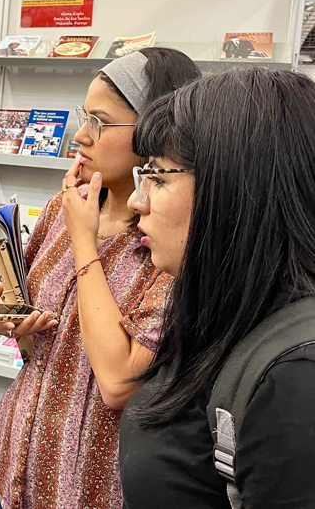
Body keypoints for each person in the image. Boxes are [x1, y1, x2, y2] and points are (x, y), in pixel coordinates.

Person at [0, 48, 201, 509]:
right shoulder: (68, 207)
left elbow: (119, 382)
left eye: (99, 121)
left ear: (154, 132)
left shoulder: (171, 243)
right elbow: (37, 331)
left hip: (89, 484)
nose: (80, 135)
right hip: (21, 456)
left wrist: (85, 241)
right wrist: (8, 320)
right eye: (84, 116)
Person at [120, 68, 315, 507]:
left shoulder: (296, 376)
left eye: (158, 177)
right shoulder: (223, 308)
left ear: (232, 187)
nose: (138, 200)